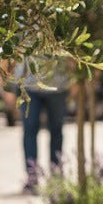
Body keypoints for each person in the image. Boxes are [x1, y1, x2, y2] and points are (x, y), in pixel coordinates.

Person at [14, 57, 71, 194]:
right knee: (30, 130)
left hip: (59, 85)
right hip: (29, 86)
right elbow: (14, 50)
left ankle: (56, 178)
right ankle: (32, 177)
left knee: (57, 131)